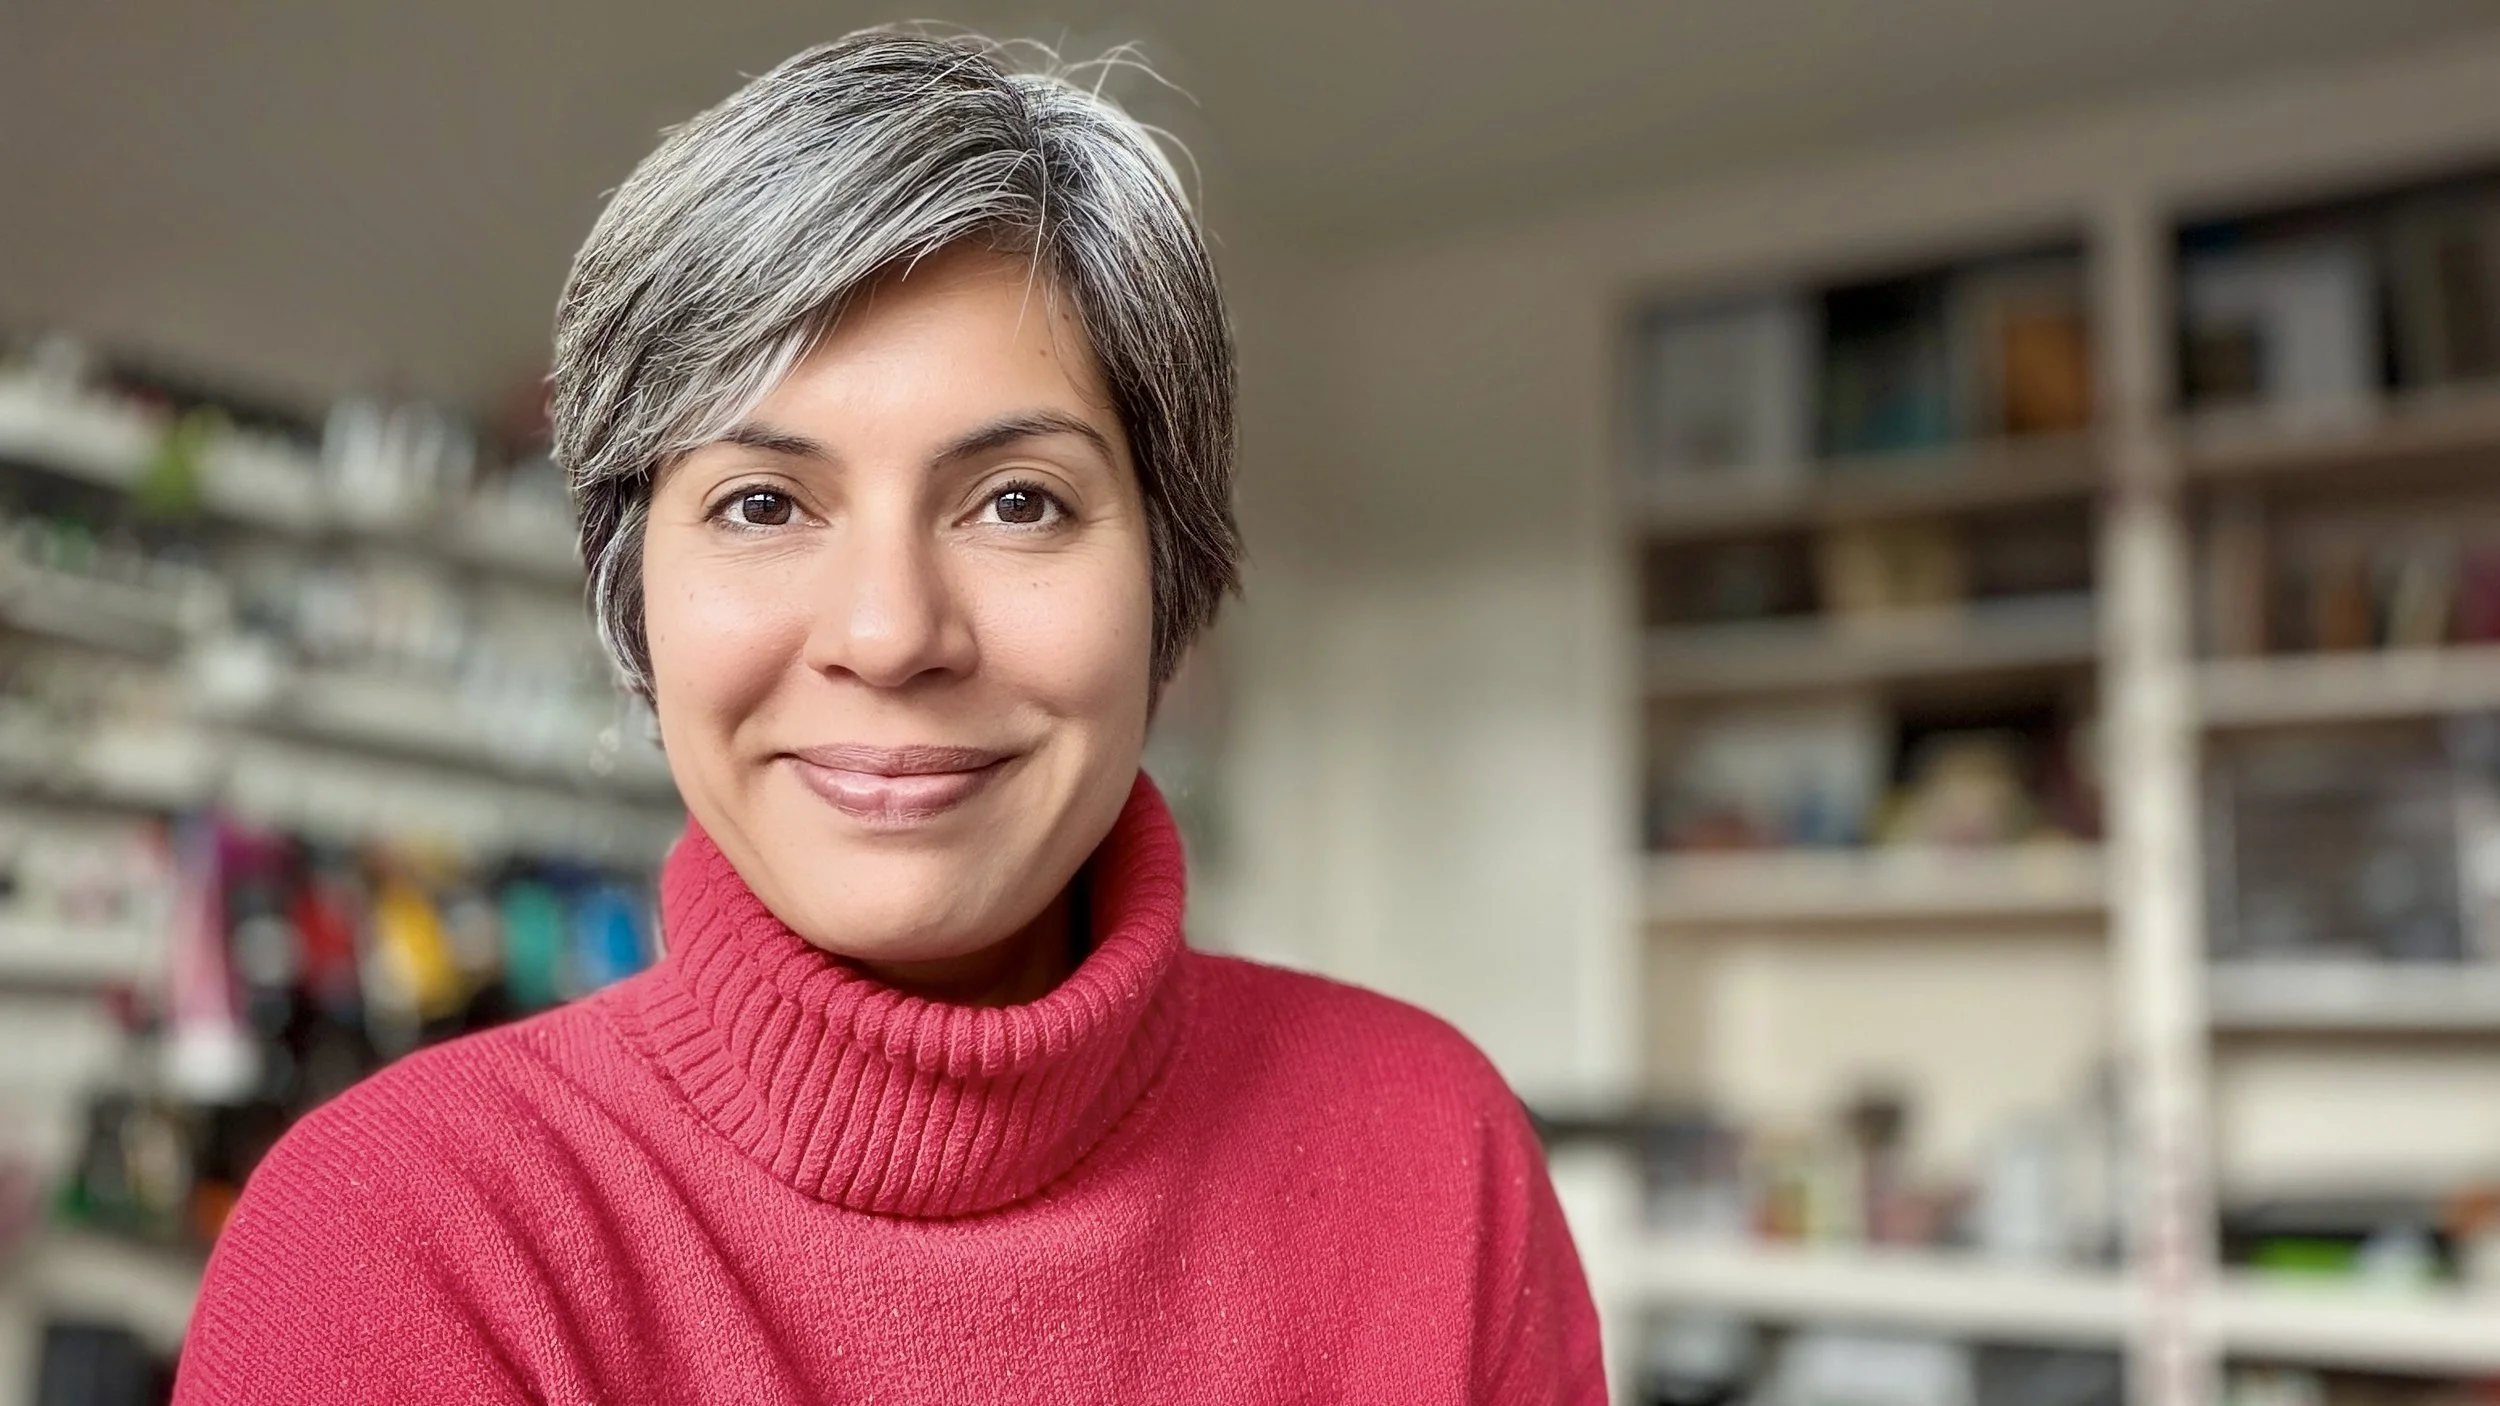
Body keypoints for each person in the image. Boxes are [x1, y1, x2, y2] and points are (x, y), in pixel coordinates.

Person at [173, 28, 1604, 1403]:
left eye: (1018, 500)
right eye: (761, 503)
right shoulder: (399, 1246)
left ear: (1170, 584)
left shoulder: (1429, 1151)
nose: (892, 632)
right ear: (633, 603)